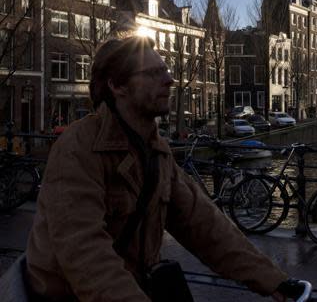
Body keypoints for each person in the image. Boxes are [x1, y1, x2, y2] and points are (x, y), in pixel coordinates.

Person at [24, 36, 293, 301]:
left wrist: (274, 280)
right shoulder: (78, 149)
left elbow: (205, 224)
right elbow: (85, 254)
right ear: (118, 86)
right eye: (153, 73)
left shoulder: (156, 151)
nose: (169, 80)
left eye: (165, 70)